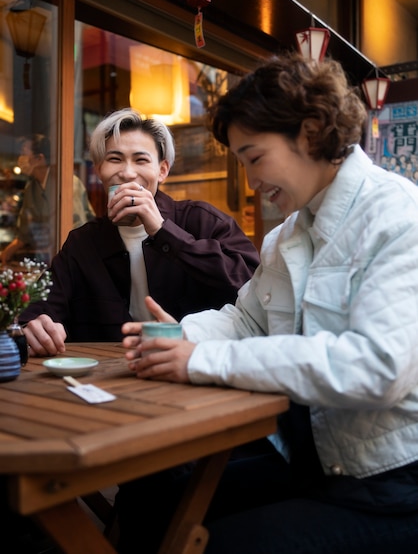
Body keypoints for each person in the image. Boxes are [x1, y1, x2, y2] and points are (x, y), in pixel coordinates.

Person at [119, 52, 418, 554]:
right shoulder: (286, 236)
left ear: (310, 131)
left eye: (254, 158)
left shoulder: (397, 216)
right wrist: (182, 336)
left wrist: (201, 359)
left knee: (223, 544)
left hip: (391, 479)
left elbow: (378, 366)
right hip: (312, 457)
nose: (252, 181)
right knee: (151, 491)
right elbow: (245, 320)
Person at [18, 108, 259, 355]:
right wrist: (34, 325)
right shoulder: (83, 243)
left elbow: (252, 287)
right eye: (115, 159)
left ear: (162, 170)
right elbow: (41, 305)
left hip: (195, 369)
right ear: (99, 169)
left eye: (141, 160)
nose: (128, 173)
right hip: (109, 379)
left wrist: (163, 231)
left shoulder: (201, 221)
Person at [0, 133, 95, 266]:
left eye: (24, 153)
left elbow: (75, 226)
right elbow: (25, 230)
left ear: (40, 158)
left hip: (75, 256)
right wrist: (7, 252)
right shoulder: (31, 188)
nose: (20, 158)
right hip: (49, 256)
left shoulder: (67, 182)